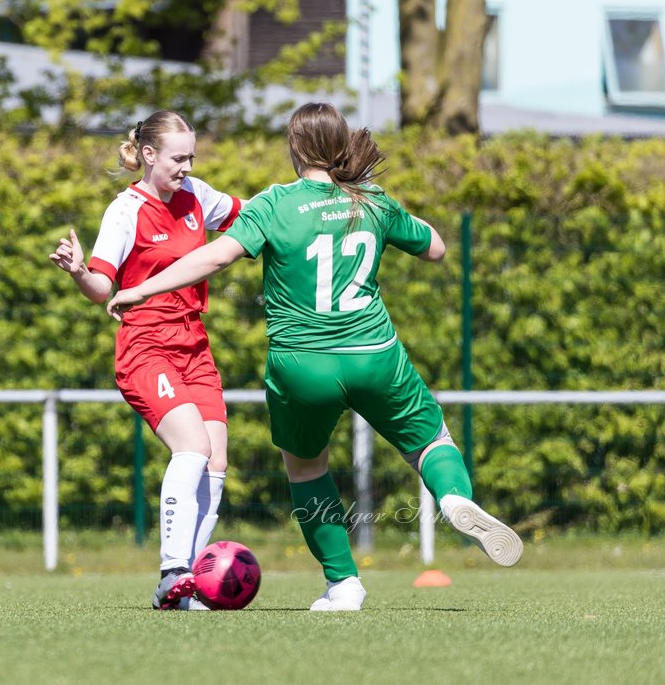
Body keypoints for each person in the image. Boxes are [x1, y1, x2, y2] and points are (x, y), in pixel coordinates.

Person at [106, 102, 522, 612]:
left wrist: (139, 290)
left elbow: (214, 256)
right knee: (431, 441)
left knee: (306, 471)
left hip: (301, 365)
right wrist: (382, 205)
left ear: (296, 148)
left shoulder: (275, 203)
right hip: (374, 355)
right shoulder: (370, 200)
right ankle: (452, 495)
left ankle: (344, 585)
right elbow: (435, 247)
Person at [49, 110, 243, 610]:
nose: (187, 165)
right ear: (149, 155)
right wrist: (77, 272)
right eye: (179, 157)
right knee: (193, 447)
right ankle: (172, 572)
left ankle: (191, 588)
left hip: (194, 344)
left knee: (216, 458)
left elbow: (253, 214)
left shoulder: (199, 195)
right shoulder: (125, 210)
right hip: (145, 346)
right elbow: (102, 288)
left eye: (192, 156)